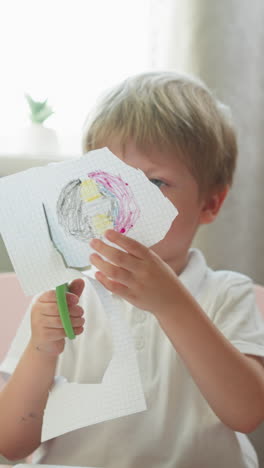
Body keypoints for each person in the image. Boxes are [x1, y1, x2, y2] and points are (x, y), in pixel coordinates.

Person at [1, 71, 264, 468]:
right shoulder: (63, 295)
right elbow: (11, 444)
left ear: (210, 203)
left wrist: (172, 304)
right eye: (107, 184)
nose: (124, 207)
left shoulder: (226, 293)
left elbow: (247, 413)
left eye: (156, 183)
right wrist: (42, 348)